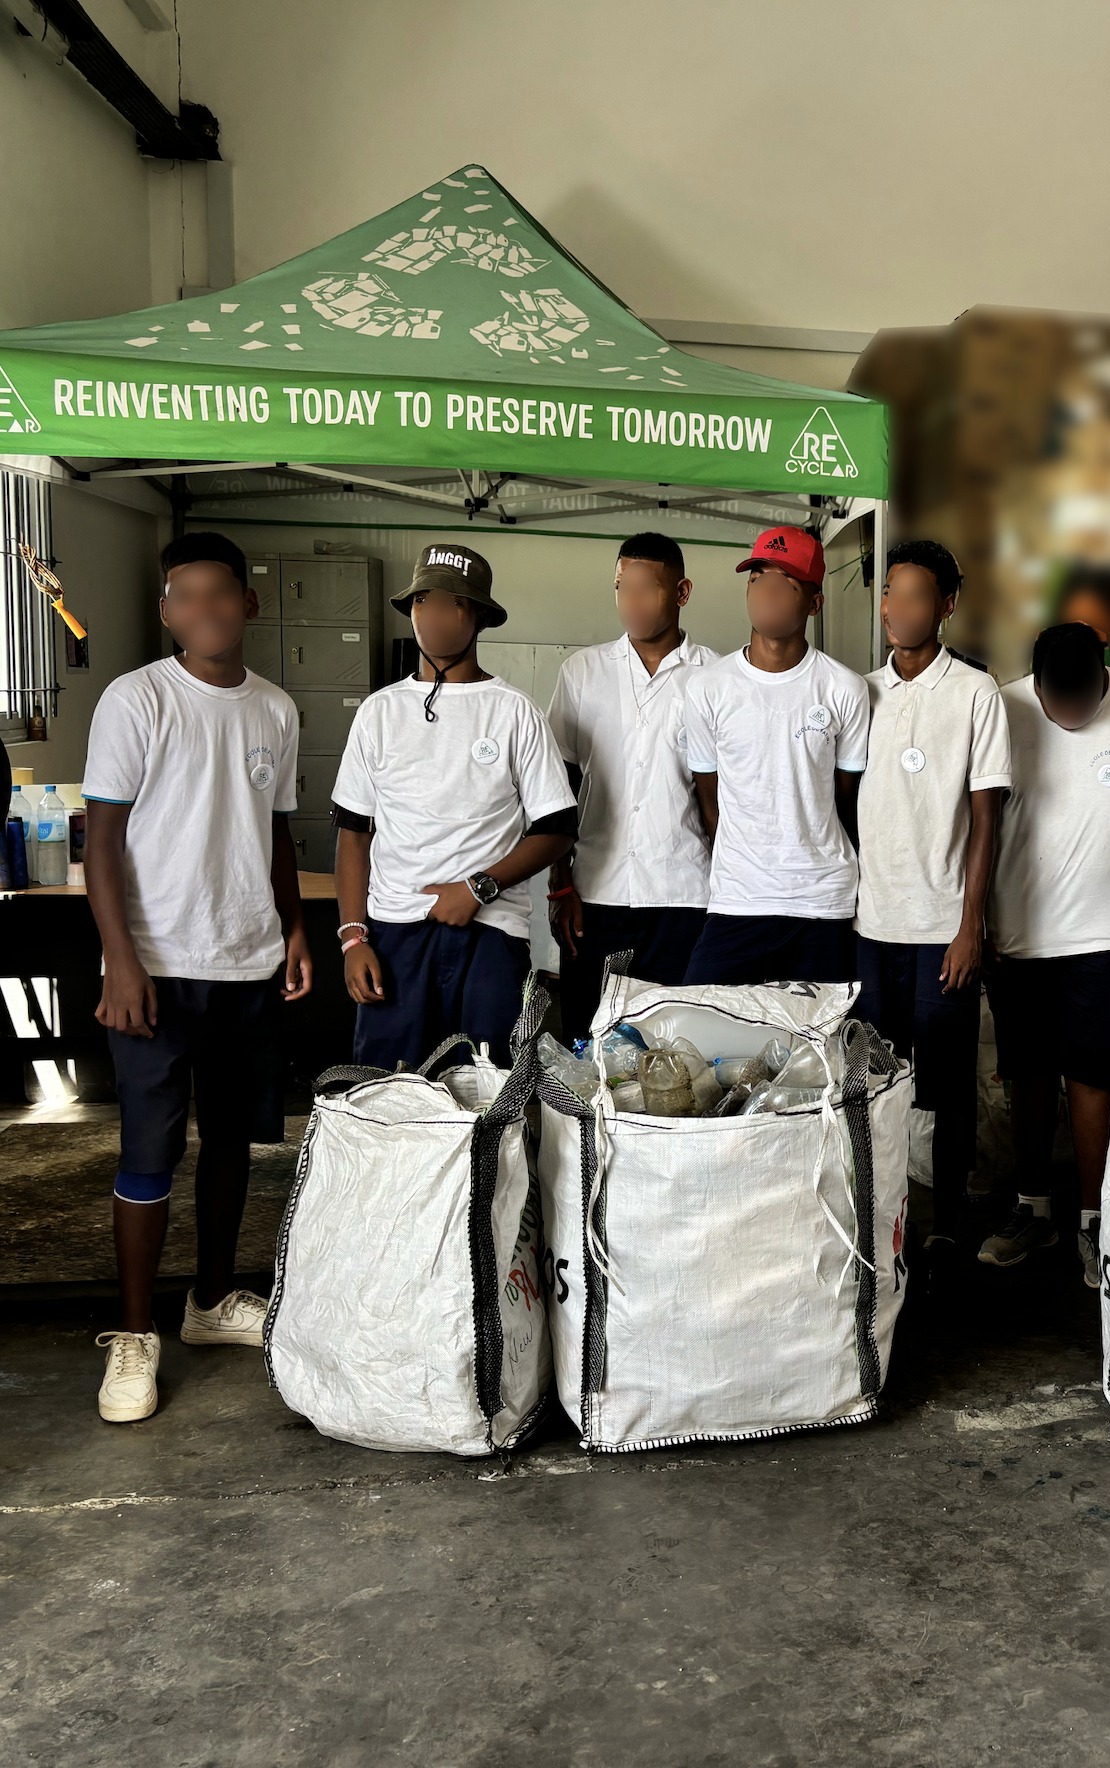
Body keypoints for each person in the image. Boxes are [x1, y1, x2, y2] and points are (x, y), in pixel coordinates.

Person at [82, 532, 312, 1424]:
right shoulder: (136, 701)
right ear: (168, 609)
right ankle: (135, 1336)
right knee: (148, 1152)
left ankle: (211, 1303)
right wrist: (122, 958)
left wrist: (293, 927)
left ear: (249, 606)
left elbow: (277, 833)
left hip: (246, 960)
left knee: (230, 1143)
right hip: (158, 965)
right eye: (188, 596)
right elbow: (102, 842)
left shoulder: (277, 710)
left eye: (223, 594)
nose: (206, 611)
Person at [981, 622, 1110, 1287]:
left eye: (1086, 698)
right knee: (1029, 1073)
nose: (1073, 713)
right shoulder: (1003, 709)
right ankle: (1034, 1209)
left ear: (1105, 676)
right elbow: (976, 817)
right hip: (1020, 933)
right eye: (1059, 701)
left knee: (1096, 1078)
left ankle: (1095, 1219)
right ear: (1035, 687)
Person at [333, 543, 576, 1069]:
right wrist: (353, 937)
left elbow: (558, 828)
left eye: (454, 603)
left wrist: (478, 887)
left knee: (487, 1094)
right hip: (395, 931)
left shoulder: (515, 713)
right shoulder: (379, 713)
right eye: (424, 600)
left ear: (480, 616)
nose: (435, 614)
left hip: (491, 934)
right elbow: (353, 832)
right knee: (389, 1095)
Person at [854, 540, 1011, 1248]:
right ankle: (886, 1220)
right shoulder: (859, 693)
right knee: (879, 1088)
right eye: (891, 593)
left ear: (946, 606)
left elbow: (987, 818)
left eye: (916, 596)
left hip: (942, 926)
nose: (897, 609)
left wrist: (970, 923)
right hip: (873, 925)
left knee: (944, 1090)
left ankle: (946, 1225)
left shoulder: (976, 693)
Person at [545, 532, 718, 1040]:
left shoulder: (716, 676)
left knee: (676, 1047)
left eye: (648, 588)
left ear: (682, 592)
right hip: (596, 893)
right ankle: (588, 1125)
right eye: (622, 587)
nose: (632, 603)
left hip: (685, 894)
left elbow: (723, 797)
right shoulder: (582, 672)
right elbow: (560, 790)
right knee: (588, 1038)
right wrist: (560, 884)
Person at [682, 526, 870, 986]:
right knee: (706, 1040)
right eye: (756, 577)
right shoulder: (708, 687)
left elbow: (846, 802)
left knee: (815, 1048)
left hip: (821, 901)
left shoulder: (845, 689)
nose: (765, 592)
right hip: (739, 900)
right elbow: (711, 801)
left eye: (784, 583)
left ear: (814, 602)